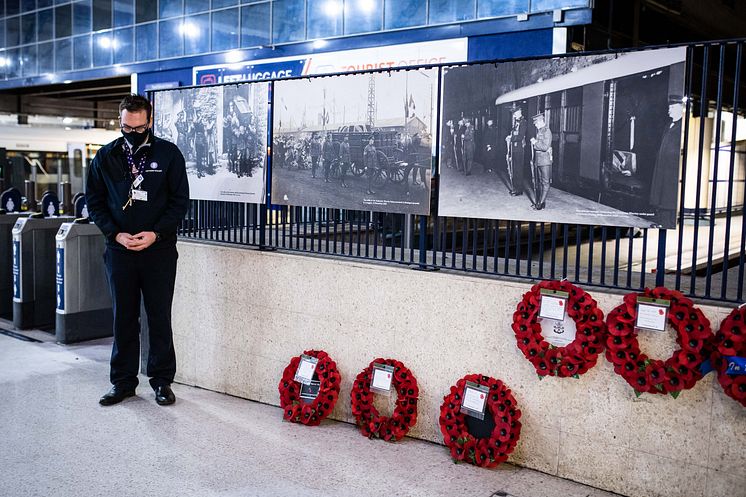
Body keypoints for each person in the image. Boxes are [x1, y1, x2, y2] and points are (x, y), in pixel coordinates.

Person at [86, 94, 189, 407]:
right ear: (120, 122)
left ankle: (161, 381)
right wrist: (115, 234)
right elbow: (95, 202)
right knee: (123, 318)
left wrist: (155, 234)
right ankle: (123, 382)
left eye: (139, 129)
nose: (132, 135)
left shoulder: (169, 155)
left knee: (159, 317)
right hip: (120, 251)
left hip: (158, 250)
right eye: (127, 129)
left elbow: (179, 202)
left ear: (150, 121)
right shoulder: (105, 157)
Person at [649, 94, 684, 228]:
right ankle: (662, 221)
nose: (669, 110)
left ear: (680, 109)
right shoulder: (668, 124)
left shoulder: (681, 126)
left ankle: (668, 222)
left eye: (672, 107)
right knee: (661, 193)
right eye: (669, 107)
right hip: (663, 165)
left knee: (669, 194)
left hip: (672, 168)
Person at [530, 111, 553, 210]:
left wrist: (535, 143)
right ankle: (541, 201)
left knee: (545, 182)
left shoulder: (547, 131)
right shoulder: (540, 131)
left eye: (536, 124)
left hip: (545, 161)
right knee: (539, 182)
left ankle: (540, 203)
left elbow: (545, 147)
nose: (535, 126)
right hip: (539, 160)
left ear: (540, 121)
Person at [505, 105, 526, 196]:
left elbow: (521, 136)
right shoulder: (516, 123)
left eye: (514, 114)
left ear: (518, 113)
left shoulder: (523, 122)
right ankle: (515, 188)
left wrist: (511, 137)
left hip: (519, 149)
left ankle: (519, 190)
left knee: (518, 170)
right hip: (514, 148)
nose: (513, 116)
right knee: (514, 169)